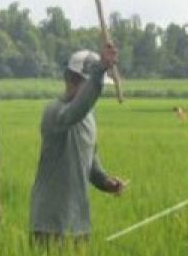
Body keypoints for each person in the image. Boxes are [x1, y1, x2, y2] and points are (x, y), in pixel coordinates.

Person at [29, 43, 126, 242]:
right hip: (50, 221)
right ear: (70, 79)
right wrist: (100, 70)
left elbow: (90, 158)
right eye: (87, 84)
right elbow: (76, 110)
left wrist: (104, 181)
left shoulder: (88, 116)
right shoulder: (55, 112)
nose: (92, 94)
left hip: (79, 222)